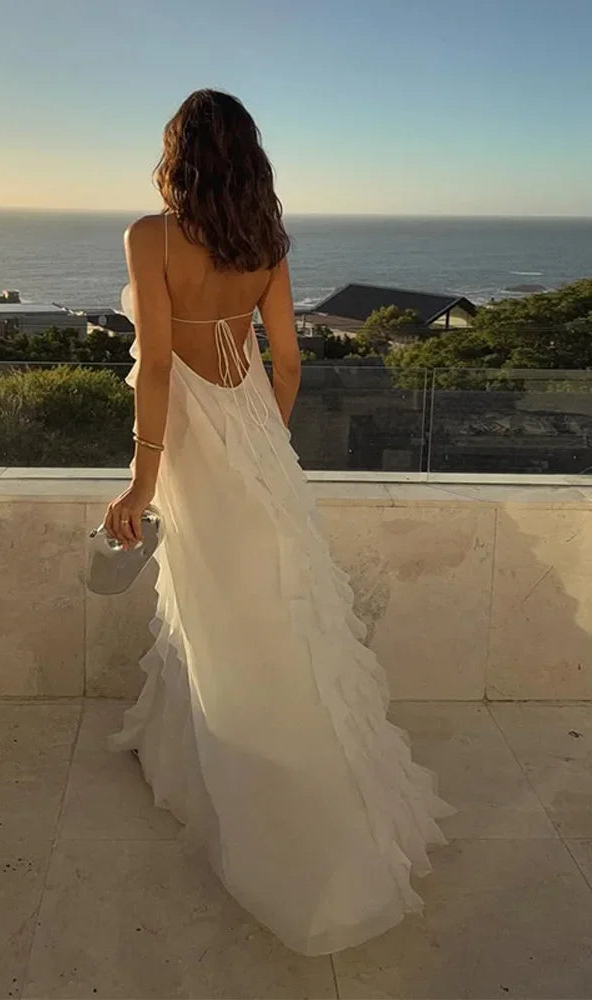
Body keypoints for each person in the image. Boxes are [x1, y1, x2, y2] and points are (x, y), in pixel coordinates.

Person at [104, 88, 456, 956]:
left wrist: (141, 483)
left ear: (177, 153)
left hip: (187, 440)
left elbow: (153, 366)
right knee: (275, 604)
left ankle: (264, 786)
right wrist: (259, 436)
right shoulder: (265, 243)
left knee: (216, 602)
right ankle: (267, 752)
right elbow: (287, 362)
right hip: (255, 434)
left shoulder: (150, 237)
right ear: (247, 158)